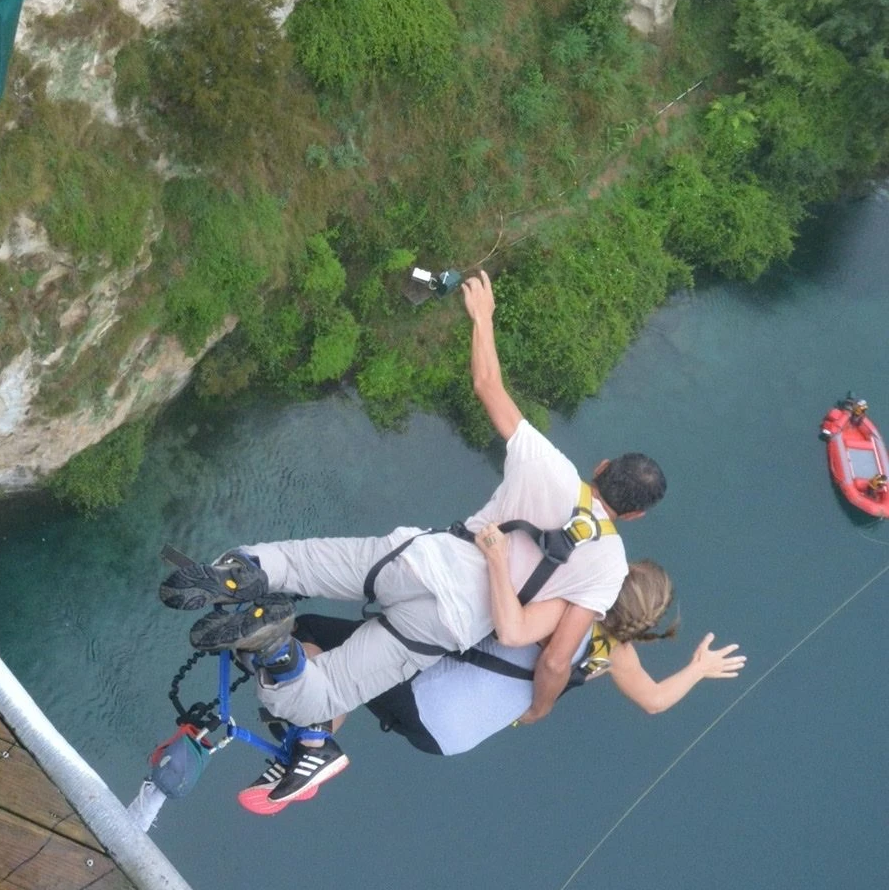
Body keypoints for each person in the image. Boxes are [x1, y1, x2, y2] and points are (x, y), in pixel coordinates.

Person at [158, 270, 666, 814]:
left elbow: (487, 386)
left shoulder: (553, 467)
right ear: (634, 514)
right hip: (448, 622)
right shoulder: (608, 567)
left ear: (602, 467)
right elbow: (551, 654)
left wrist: (483, 318)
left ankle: (236, 572)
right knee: (321, 693)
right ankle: (276, 653)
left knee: (291, 562)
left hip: (422, 556)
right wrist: (539, 708)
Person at [351, 555, 744, 756]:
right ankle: (318, 745)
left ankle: (318, 749)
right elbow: (654, 700)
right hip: (447, 740)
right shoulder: (614, 655)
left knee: (327, 645)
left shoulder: (564, 610)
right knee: (342, 679)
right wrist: (698, 668)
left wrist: (497, 556)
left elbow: (513, 627)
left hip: (424, 694)